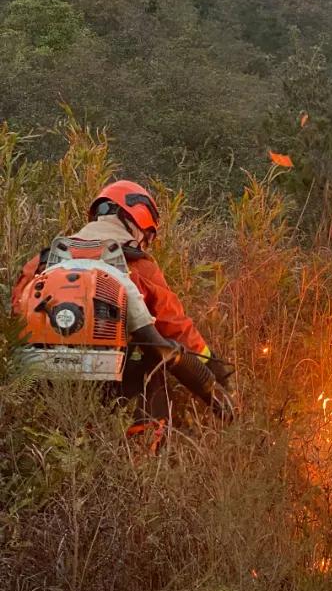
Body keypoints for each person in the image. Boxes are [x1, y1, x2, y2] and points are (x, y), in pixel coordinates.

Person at [11, 180, 232, 424]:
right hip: (117, 383)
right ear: (137, 222)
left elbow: (17, 315)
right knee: (152, 354)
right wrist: (213, 368)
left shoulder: (42, 262)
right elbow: (174, 326)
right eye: (146, 236)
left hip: (40, 381)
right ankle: (145, 440)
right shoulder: (138, 266)